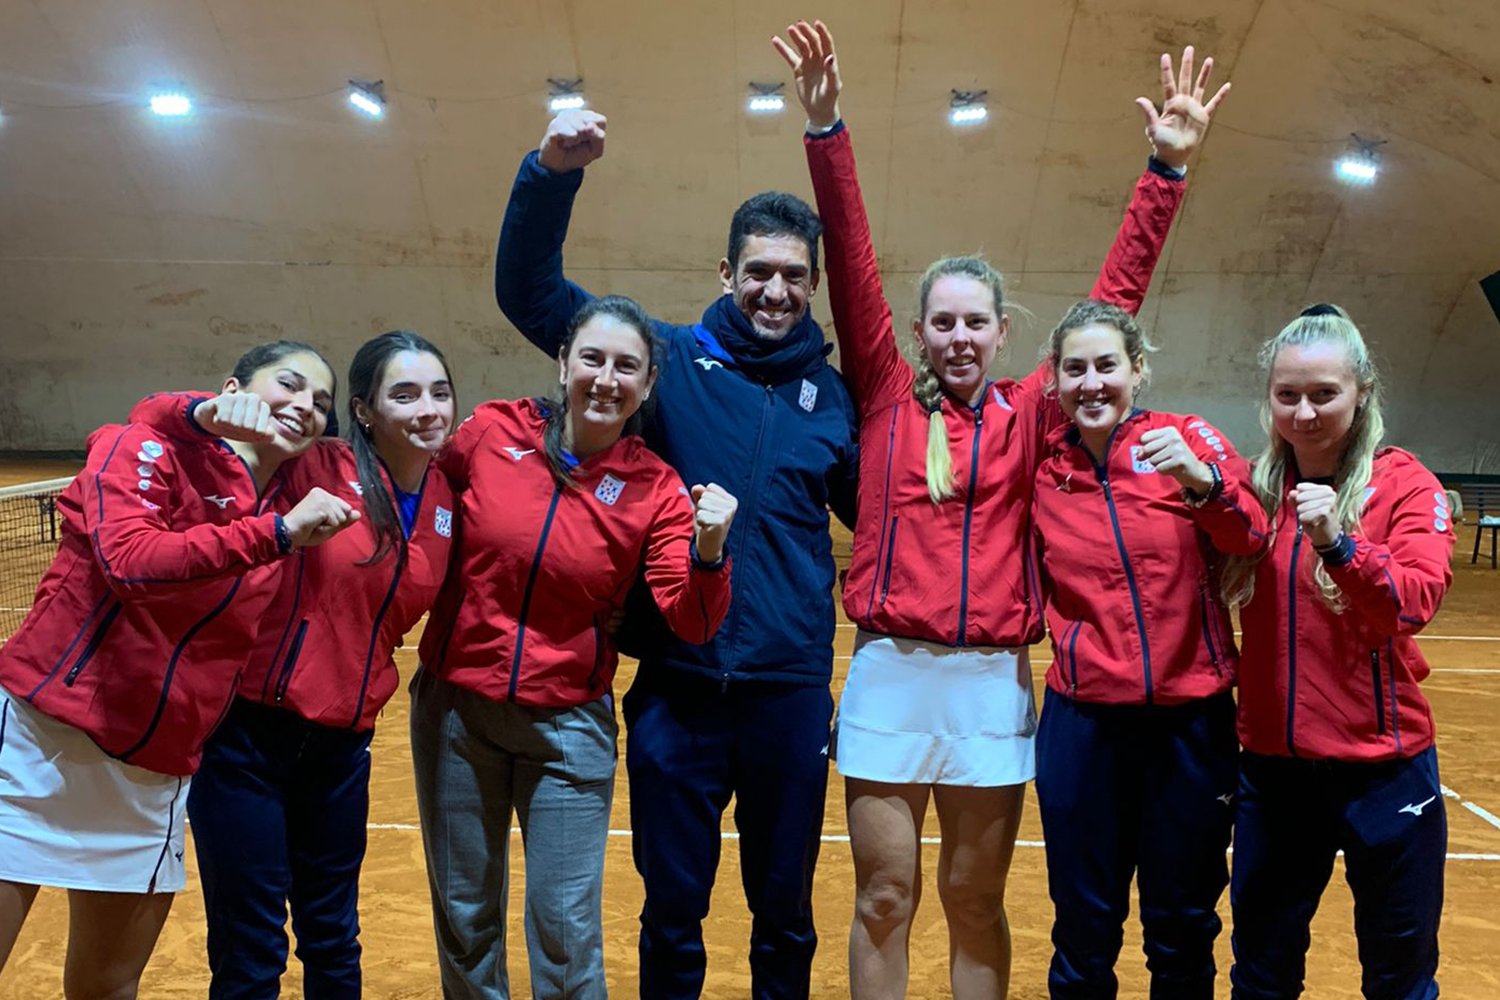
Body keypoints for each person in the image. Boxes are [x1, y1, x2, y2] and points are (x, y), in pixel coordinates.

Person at [775, 20, 1226, 999]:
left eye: (976, 320)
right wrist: (826, 129)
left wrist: (1166, 170)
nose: (958, 336)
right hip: (891, 674)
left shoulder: (1034, 412)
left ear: (1001, 329)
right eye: (942, 320)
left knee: (975, 900)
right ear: (920, 329)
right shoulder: (887, 392)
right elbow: (850, 256)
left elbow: (1111, 305)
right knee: (884, 899)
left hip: (990, 684)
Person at [494, 98, 859, 998]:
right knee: (672, 915)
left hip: (787, 694)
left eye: (794, 277)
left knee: (786, 916)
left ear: (813, 286)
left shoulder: (837, 399)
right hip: (678, 694)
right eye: (758, 271)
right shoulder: (663, 361)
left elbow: (885, 520)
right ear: (725, 272)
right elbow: (531, 296)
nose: (776, 291)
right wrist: (550, 175)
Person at [0, 341, 358, 999]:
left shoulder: (297, 490)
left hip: (152, 772)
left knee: (107, 988)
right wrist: (270, 529)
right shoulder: (143, 448)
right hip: (38, 746)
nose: (307, 405)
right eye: (290, 385)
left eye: (321, 402)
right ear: (233, 390)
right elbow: (131, 561)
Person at [409, 295, 738, 999]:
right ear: (563, 364)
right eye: (592, 358)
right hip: (456, 712)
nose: (606, 377)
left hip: (567, 729)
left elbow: (692, 619)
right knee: (466, 917)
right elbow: (424, 516)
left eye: (628, 366)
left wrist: (711, 551)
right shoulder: (490, 433)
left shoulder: (656, 489)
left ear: (648, 385)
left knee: (564, 930)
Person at [126, 330, 459, 997]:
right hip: (247, 740)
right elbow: (157, 424)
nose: (427, 409)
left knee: (333, 938)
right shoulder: (310, 465)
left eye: (439, 392)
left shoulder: (450, 499)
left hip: (342, 750)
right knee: (252, 949)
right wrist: (209, 411)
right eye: (404, 394)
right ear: (363, 411)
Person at [1030, 298, 1265, 999]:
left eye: (1108, 365)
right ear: (1057, 382)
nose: (1092, 383)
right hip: (1084, 727)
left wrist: (1202, 484)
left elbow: (1252, 533)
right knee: (1082, 926)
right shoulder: (1044, 472)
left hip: (1191, 727)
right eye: (1075, 369)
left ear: (1137, 369)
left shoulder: (1189, 438)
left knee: (1183, 924)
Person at [1224, 305, 1453, 1000]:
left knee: (1400, 978)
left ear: (1362, 393)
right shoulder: (1254, 490)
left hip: (1386, 775)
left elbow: (1415, 600)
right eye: (1286, 394)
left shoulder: (1405, 483)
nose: (1304, 412)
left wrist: (1340, 546)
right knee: (1261, 974)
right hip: (1274, 774)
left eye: (1324, 393)